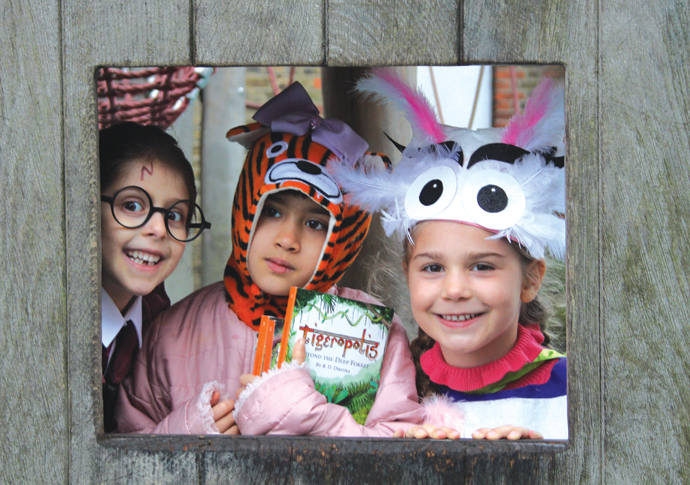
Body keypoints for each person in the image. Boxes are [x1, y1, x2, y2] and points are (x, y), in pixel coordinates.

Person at [115, 82, 448, 438]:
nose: (287, 240)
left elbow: (400, 444)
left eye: (315, 223)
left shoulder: (374, 332)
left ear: (344, 237)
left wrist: (314, 418)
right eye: (272, 211)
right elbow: (119, 446)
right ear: (245, 206)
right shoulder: (171, 332)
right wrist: (183, 436)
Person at [335, 69, 567, 440]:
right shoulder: (385, 390)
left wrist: (538, 463)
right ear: (407, 271)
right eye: (433, 267)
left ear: (530, 279)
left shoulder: (576, 392)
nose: (455, 289)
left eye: (482, 266)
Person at [99, 122, 210, 432]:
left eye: (174, 215)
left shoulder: (165, 331)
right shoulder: (46, 326)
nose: (159, 229)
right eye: (132, 205)